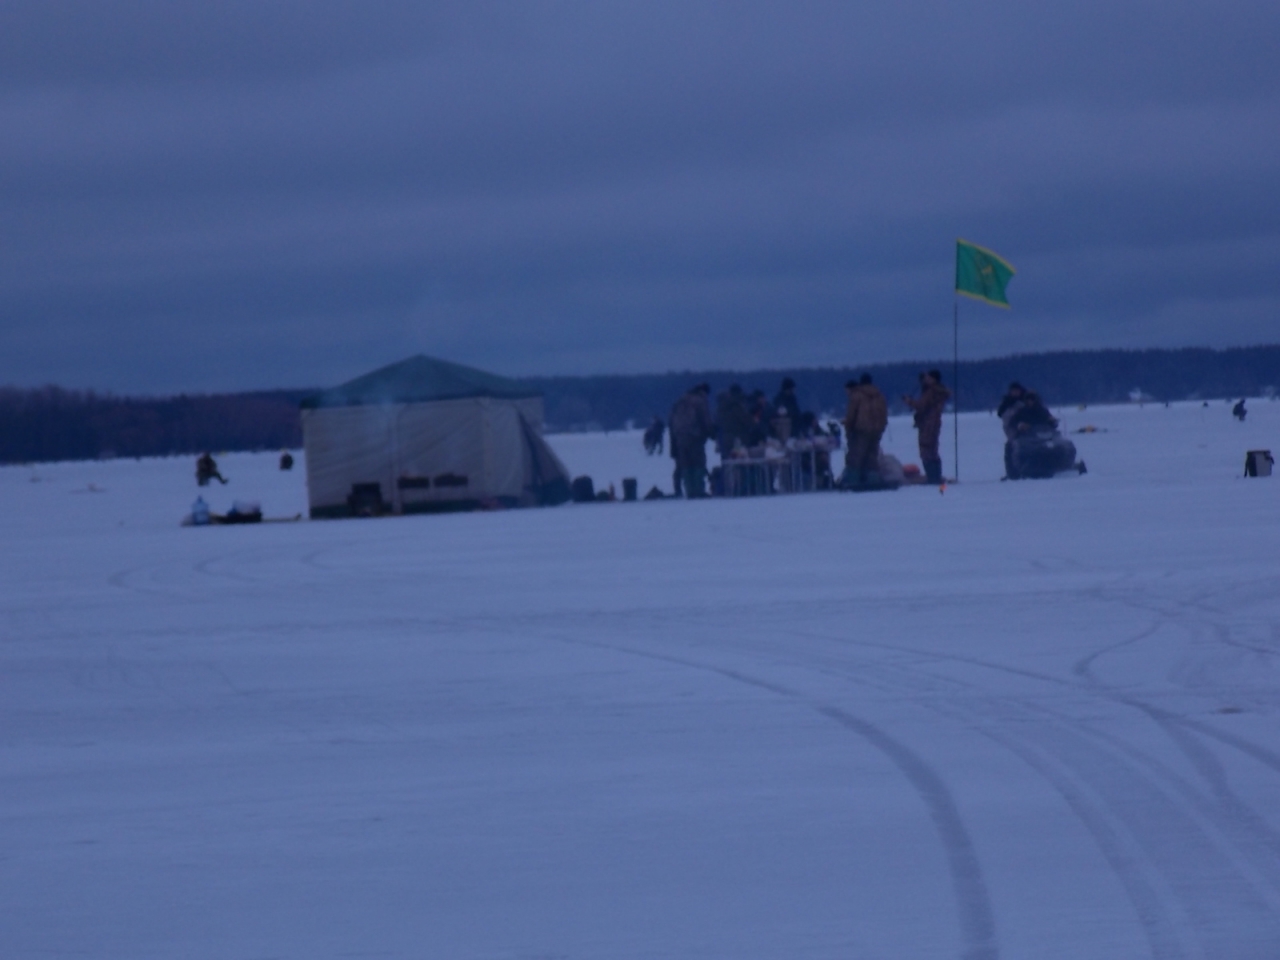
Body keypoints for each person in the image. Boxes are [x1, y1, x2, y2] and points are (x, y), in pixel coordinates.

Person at [903, 369, 950, 484]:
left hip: (928, 424)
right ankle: (936, 476)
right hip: (934, 423)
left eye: (928, 378)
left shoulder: (931, 391)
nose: (926, 380)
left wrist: (909, 401)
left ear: (933, 379)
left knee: (926, 450)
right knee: (933, 450)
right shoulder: (938, 391)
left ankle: (932, 477)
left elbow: (921, 406)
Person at [669, 383, 715, 497]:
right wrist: (712, 434)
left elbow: (671, 421)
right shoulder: (700, 401)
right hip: (695, 437)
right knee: (698, 463)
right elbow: (706, 420)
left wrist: (674, 443)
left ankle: (689, 491)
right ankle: (698, 490)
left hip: (679, 437)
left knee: (686, 464)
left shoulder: (680, 401)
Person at [843, 374, 889, 487]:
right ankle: (873, 480)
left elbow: (851, 414)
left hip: (861, 430)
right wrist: (882, 427)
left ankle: (853, 481)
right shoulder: (879, 395)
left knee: (856, 456)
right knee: (872, 456)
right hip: (877, 429)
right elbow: (884, 413)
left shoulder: (857, 395)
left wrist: (848, 426)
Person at [715, 384, 752, 456]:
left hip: (724, 438)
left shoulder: (721, 407)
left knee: (727, 461)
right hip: (738, 439)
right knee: (739, 460)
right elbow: (748, 421)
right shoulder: (737, 407)